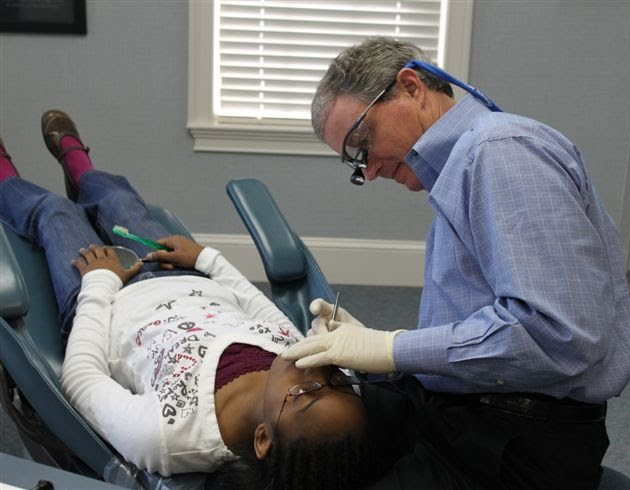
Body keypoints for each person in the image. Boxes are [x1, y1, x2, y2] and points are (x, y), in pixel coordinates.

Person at [282, 36, 630, 489]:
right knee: (305, 451)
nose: (368, 170)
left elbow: (556, 334)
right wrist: (384, 348)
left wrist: (392, 349)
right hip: (470, 408)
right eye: (354, 161)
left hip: (516, 442)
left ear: (411, 87)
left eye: (362, 142)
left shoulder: (501, 151)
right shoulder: (469, 160)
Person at [0, 111, 375, 490]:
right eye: (340, 380)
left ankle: (5, 175)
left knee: (54, 212)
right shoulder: (299, 362)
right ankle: (76, 161)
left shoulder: (170, 436)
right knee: (120, 200)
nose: (319, 370)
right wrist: (206, 259)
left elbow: (82, 381)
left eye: (308, 393)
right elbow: (260, 308)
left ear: (263, 438)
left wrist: (98, 283)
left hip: (114, 301)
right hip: (182, 276)